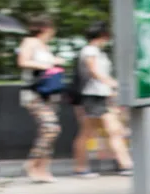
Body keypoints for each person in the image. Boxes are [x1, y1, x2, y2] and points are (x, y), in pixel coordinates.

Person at [72, 22, 132, 177]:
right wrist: (112, 84)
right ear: (102, 35)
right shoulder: (90, 50)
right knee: (89, 132)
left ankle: (125, 164)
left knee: (113, 130)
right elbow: (94, 71)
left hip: (100, 96)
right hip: (92, 97)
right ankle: (81, 167)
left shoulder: (98, 52)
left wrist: (110, 89)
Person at [18, 15, 63, 183]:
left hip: (49, 93)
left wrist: (55, 62)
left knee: (47, 131)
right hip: (33, 93)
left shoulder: (45, 46)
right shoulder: (30, 42)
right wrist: (46, 65)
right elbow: (23, 61)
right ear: (46, 28)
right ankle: (32, 163)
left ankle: (43, 169)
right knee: (51, 128)